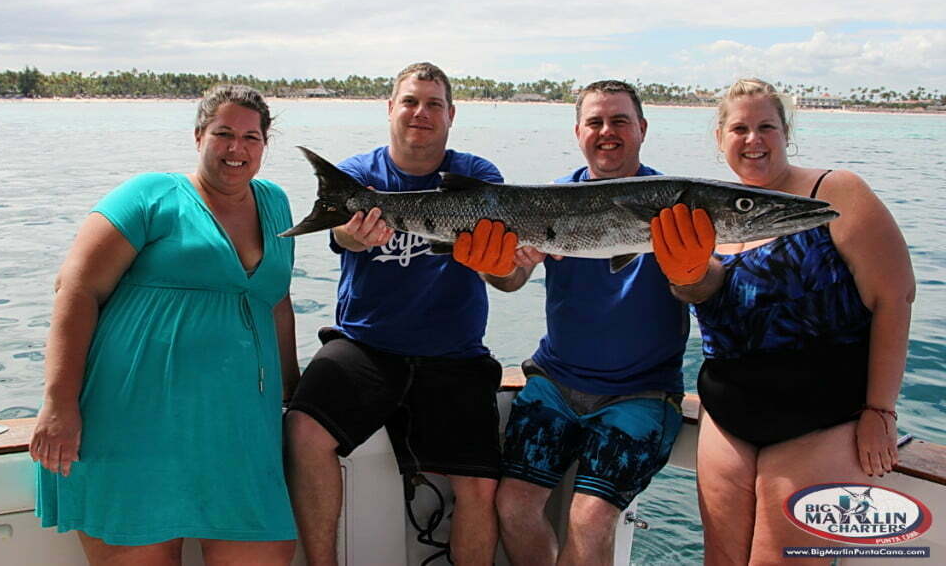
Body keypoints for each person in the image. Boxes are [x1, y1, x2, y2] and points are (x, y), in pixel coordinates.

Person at [30, 84, 300, 565]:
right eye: (223, 133)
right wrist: (59, 404)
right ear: (199, 136)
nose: (236, 148)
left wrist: (292, 389)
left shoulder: (276, 203)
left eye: (250, 137)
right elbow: (76, 289)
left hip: (238, 428)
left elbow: (276, 301)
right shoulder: (150, 195)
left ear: (265, 144)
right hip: (134, 422)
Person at [652, 78, 914, 563]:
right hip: (727, 415)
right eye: (739, 129)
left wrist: (881, 410)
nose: (753, 140)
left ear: (786, 132)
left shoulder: (835, 193)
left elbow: (895, 298)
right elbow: (703, 292)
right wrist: (685, 276)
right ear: (720, 138)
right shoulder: (705, 213)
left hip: (822, 417)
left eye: (766, 127)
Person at [285, 62, 521, 566]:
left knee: (480, 485)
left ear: (451, 115)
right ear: (391, 108)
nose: (421, 113)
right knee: (303, 432)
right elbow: (343, 236)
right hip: (366, 346)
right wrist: (352, 233)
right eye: (411, 101)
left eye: (434, 104)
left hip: (454, 354)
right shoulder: (359, 174)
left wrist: (504, 264)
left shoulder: (477, 175)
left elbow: (502, 273)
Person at [490, 80, 687, 566]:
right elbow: (511, 281)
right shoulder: (551, 199)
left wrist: (693, 270)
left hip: (640, 393)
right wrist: (497, 265)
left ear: (642, 129)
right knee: (512, 505)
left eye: (620, 121)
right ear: (578, 132)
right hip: (555, 382)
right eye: (595, 122)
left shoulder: (677, 206)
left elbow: (700, 290)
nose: (607, 132)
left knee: (590, 518)